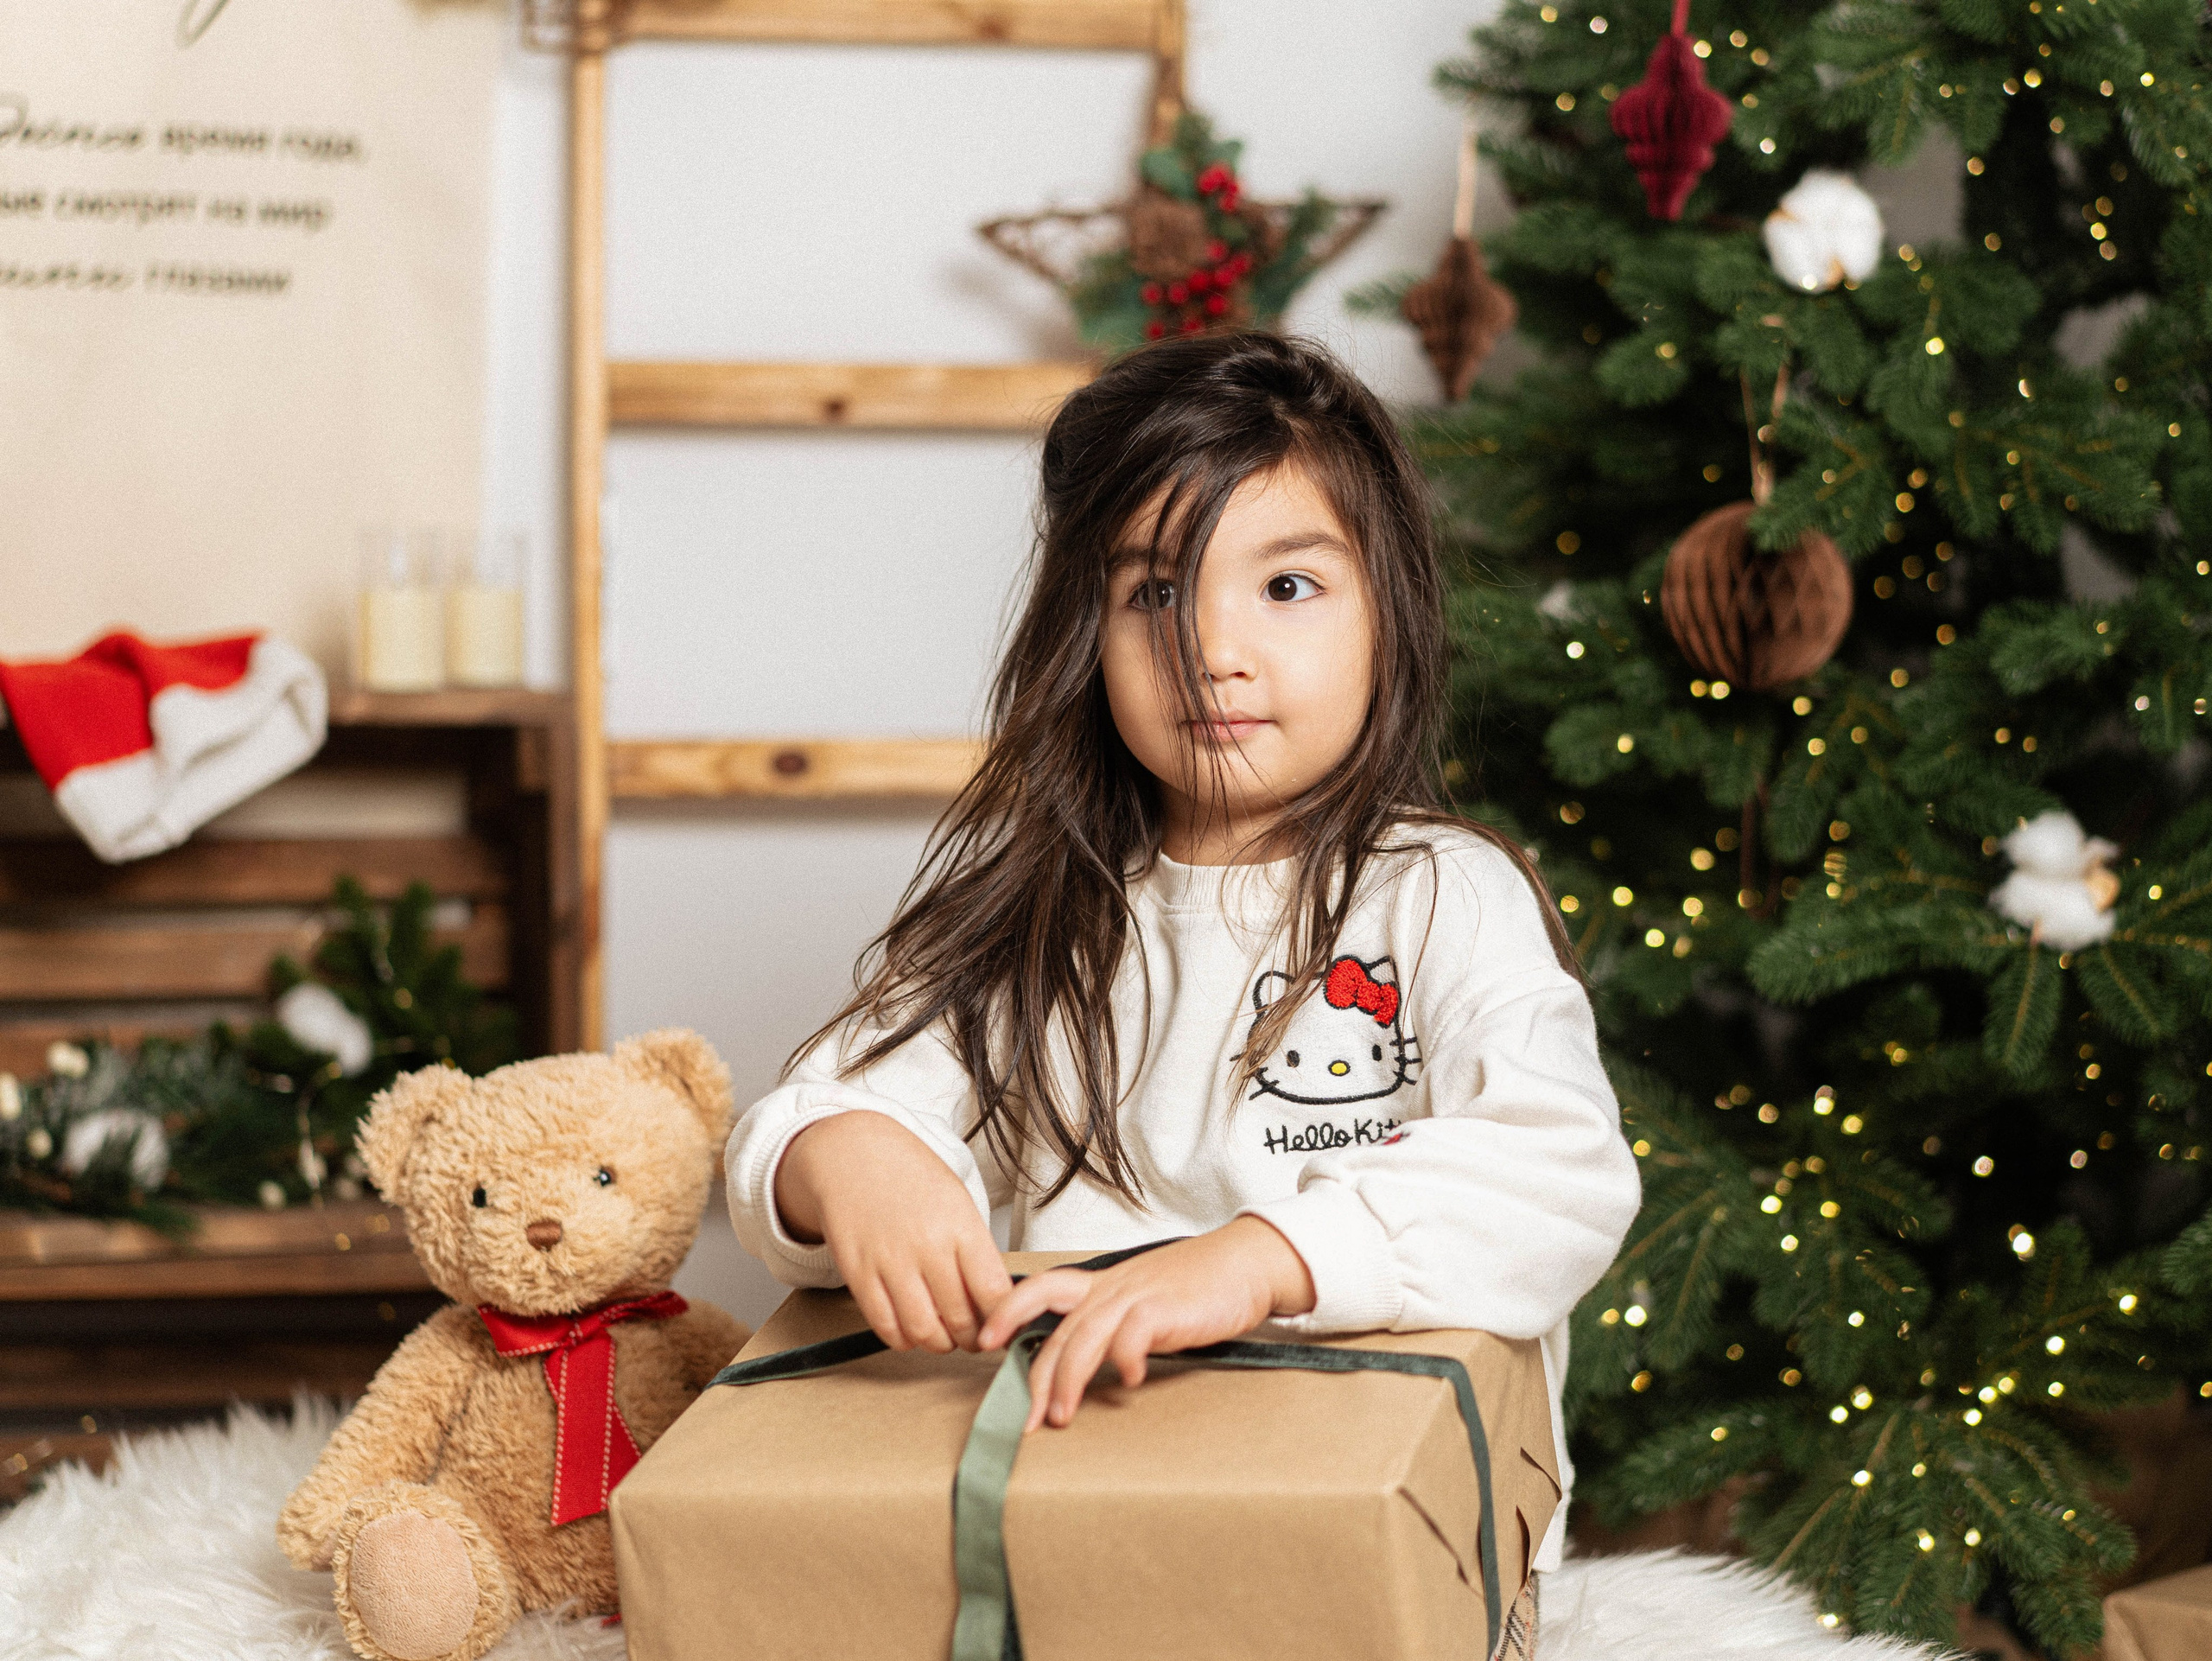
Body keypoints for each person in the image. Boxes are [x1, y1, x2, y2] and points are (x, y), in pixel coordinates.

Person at [724, 329, 1641, 1597]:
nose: (1211, 645)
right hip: (1089, 1518)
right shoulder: (1040, 915)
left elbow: (1564, 1170)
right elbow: (812, 1109)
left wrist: (1260, 1257)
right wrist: (850, 1160)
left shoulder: (1438, 896)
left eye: (1284, 587)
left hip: (1367, 1538)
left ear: (1392, 608)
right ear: (1083, 631)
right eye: (1154, 590)